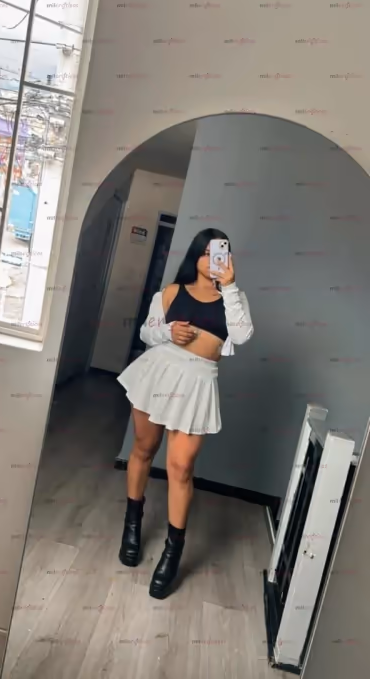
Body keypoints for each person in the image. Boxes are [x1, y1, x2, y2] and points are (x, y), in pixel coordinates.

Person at [117, 228, 254, 599]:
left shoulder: (233, 298)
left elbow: (242, 335)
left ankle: (172, 553)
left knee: (181, 467)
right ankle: (133, 524)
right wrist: (168, 333)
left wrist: (230, 286)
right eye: (207, 253)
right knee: (143, 449)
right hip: (159, 372)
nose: (214, 260)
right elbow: (147, 333)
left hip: (198, 383)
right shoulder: (172, 292)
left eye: (220, 253)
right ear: (196, 256)